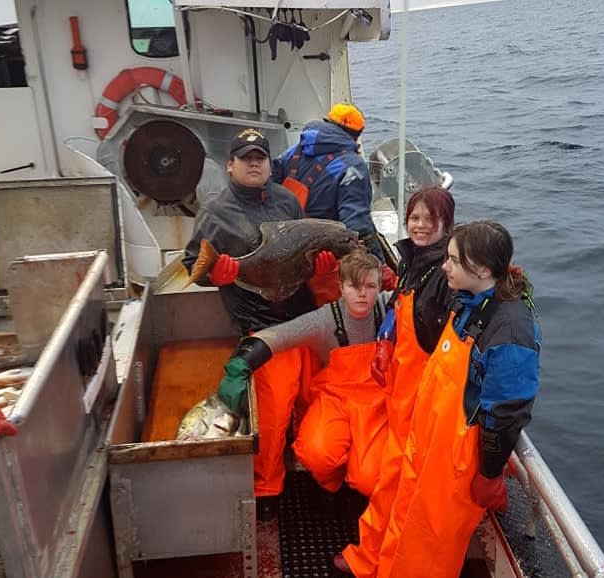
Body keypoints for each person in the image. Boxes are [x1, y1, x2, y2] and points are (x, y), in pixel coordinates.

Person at [339, 220, 541, 578]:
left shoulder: (509, 330)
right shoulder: (466, 302)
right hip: (426, 445)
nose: (444, 266)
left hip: (454, 464)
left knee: (429, 548)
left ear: (481, 269)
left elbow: (506, 412)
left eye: (453, 260)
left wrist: (490, 473)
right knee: (403, 521)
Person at [182, 127, 335, 521]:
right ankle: (267, 487)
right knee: (273, 411)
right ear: (230, 165)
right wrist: (214, 274)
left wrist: (319, 267)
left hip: (303, 318)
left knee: (312, 398)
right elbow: (191, 263)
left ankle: (311, 469)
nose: (254, 164)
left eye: (260, 158)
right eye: (246, 158)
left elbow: (306, 249)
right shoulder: (215, 211)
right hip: (261, 325)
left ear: (269, 164)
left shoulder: (287, 200)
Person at [338, 186, 455, 576]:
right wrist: (385, 339)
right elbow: (398, 305)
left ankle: (375, 562)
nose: (420, 225)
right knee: (390, 481)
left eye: (429, 219)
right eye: (414, 217)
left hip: (422, 403)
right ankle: (370, 557)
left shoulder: (446, 275)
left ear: (447, 223)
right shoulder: (413, 261)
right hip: (399, 394)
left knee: (399, 486)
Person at [218, 249, 390, 498]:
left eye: (370, 286)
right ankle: (336, 481)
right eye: (354, 286)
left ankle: (358, 472)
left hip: (379, 404)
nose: (362, 294)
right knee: (315, 454)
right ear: (340, 287)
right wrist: (241, 364)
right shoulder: (324, 320)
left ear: (380, 286)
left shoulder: (390, 307)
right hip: (335, 401)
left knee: (370, 479)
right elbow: (279, 336)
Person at [272, 102, 394, 298]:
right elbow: (357, 225)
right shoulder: (353, 166)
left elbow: (272, 178)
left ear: (328, 122)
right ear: (357, 135)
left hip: (282, 240)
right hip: (317, 253)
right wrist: (379, 265)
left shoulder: (297, 149)